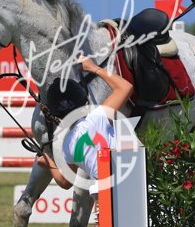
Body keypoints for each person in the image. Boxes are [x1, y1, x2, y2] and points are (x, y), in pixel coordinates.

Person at [37, 55, 133, 189]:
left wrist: (49, 162)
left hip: (102, 192)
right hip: (129, 182)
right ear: (83, 98)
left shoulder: (67, 146)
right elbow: (125, 87)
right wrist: (94, 68)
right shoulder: (97, 117)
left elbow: (65, 182)